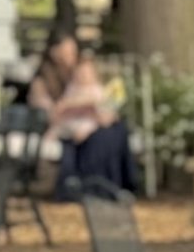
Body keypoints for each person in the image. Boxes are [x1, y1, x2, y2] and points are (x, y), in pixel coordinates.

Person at [27, 31, 139, 198]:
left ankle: (115, 183)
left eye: (73, 52)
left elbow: (101, 101)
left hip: (90, 124)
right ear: (54, 52)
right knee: (103, 137)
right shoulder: (43, 81)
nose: (71, 57)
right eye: (67, 52)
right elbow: (50, 114)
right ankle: (95, 186)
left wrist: (100, 116)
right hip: (66, 128)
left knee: (117, 130)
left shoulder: (80, 73)